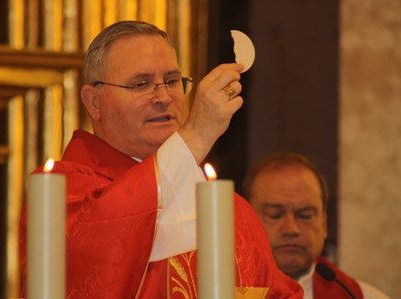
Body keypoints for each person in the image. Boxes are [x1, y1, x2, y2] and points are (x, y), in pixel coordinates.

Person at [19, 20, 303, 298]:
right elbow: (97, 259)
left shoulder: (227, 209)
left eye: (171, 81)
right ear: (94, 101)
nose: (164, 97)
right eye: (141, 84)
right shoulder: (64, 195)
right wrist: (195, 136)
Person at [243, 152, 391, 299]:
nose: (291, 229)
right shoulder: (223, 292)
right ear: (245, 223)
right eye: (275, 214)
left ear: (324, 224)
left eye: (305, 215)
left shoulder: (361, 296)